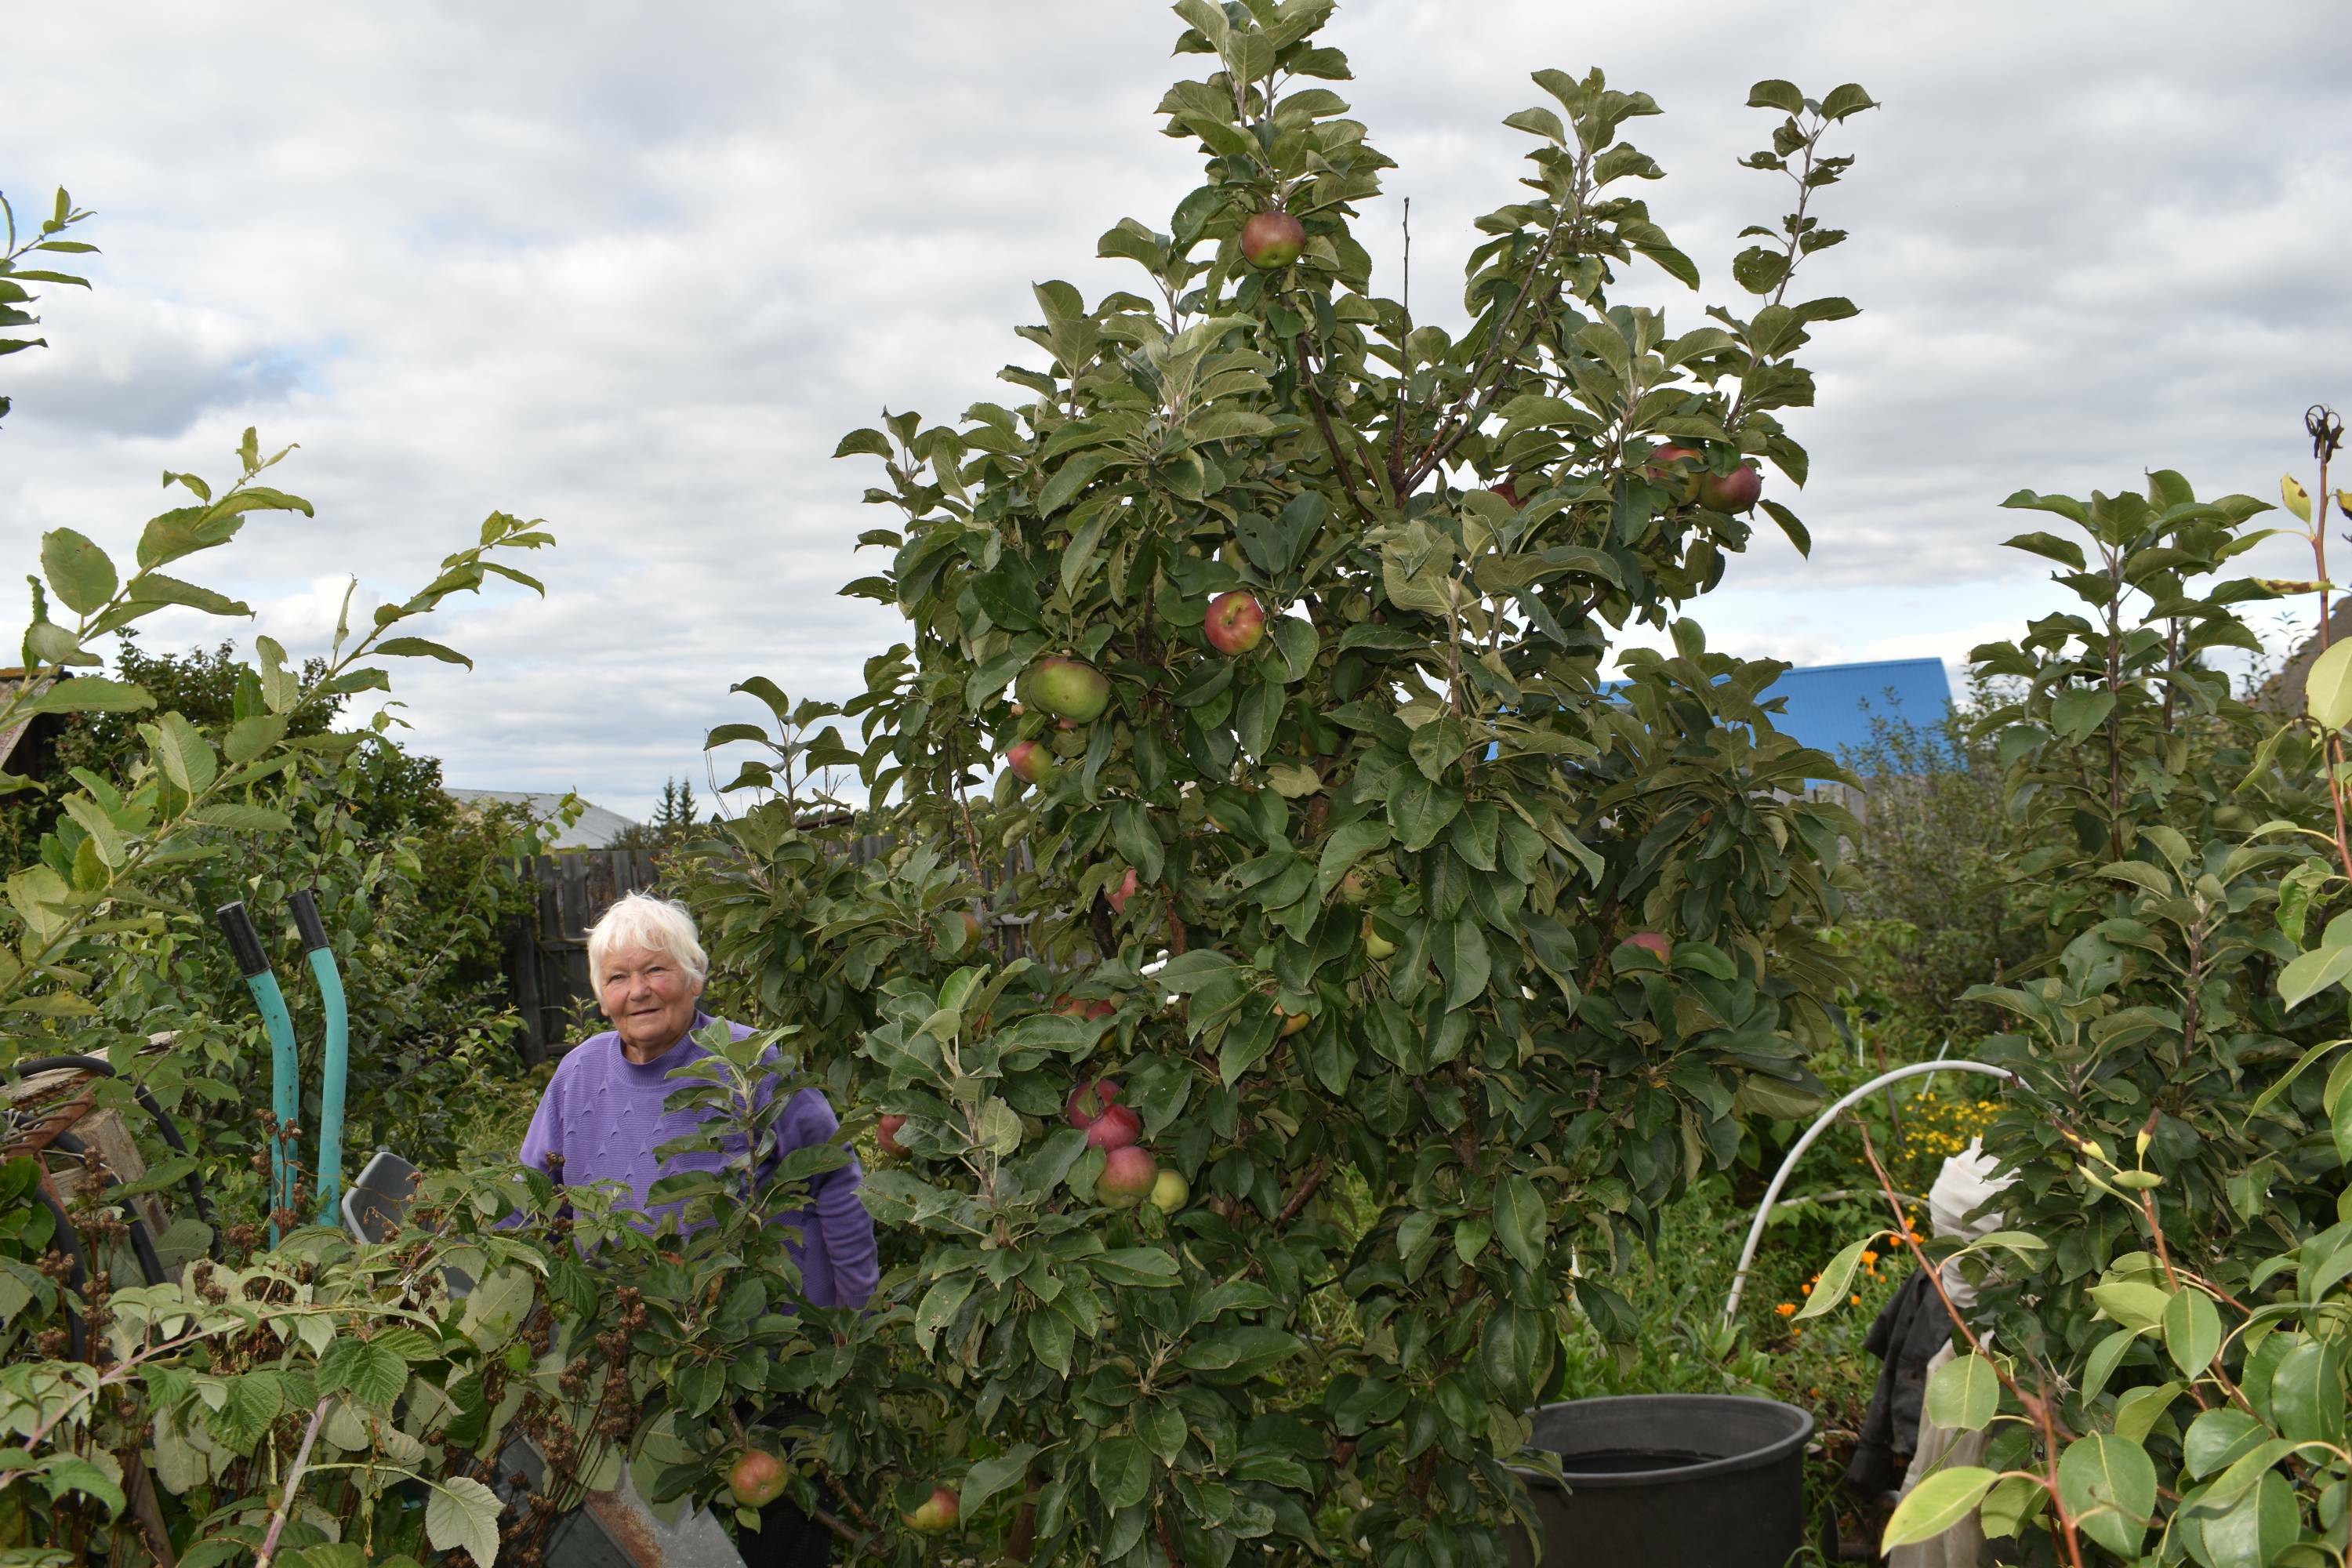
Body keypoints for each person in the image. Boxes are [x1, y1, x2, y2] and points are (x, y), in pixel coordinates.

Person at [517, 891, 876, 1567]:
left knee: (782, 1524)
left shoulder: (751, 1063)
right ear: (599, 997)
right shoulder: (578, 1074)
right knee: (671, 1522)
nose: (638, 992)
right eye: (617, 978)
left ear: (695, 978)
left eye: (656, 970)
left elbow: (835, 1179)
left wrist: (853, 1307)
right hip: (635, 1344)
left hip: (765, 1339)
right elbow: (534, 1194)